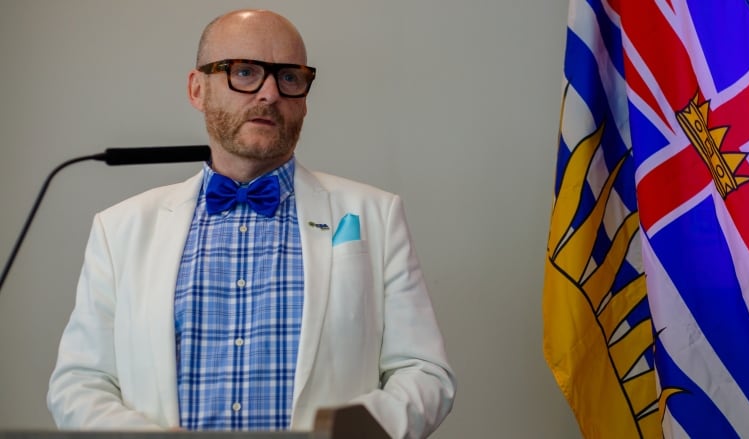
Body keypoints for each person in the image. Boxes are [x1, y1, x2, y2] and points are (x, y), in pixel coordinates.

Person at [46, 8, 455, 439]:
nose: (269, 93)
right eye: (244, 72)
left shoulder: (376, 215)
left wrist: (343, 434)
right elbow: (79, 383)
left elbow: (424, 372)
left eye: (290, 77)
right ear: (197, 89)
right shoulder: (119, 229)